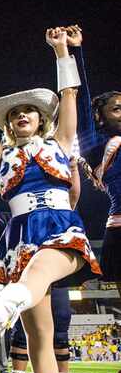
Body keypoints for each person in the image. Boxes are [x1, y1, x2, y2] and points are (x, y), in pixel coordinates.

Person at [0, 29, 100, 373]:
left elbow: (71, 96)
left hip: (59, 225)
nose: (22, 115)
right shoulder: (0, 155)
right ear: (8, 123)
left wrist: (61, 51)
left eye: (30, 111)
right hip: (18, 236)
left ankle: (0, 303)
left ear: (42, 119)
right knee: (38, 334)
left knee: (39, 272)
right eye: (15, 113)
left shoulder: (60, 142)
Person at [0, 161, 83, 373]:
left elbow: (73, 199)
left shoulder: (56, 211)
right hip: (24, 279)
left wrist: (74, 169)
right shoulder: (15, 221)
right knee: (25, 334)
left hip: (54, 280)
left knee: (60, 329)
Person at [68, 25, 121, 288]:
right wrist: (74, 51)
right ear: (100, 116)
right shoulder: (95, 145)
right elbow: (81, 98)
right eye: (117, 109)